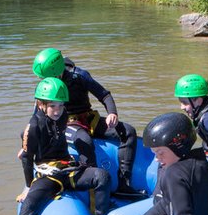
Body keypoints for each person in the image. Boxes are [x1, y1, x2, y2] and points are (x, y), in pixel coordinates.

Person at [32, 48, 142, 197]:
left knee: (128, 131)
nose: (44, 81)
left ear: (58, 71)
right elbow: (37, 116)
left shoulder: (80, 76)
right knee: (85, 141)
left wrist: (112, 113)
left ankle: (124, 183)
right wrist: (30, 144)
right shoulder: (46, 87)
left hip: (88, 117)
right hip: (67, 123)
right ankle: (93, 190)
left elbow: (104, 95)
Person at [16, 77, 111, 215]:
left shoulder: (63, 116)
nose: (57, 110)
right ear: (41, 105)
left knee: (102, 176)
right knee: (28, 204)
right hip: (49, 177)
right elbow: (27, 158)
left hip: (68, 169)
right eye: (52, 106)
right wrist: (28, 186)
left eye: (60, 105)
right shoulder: (34, 126)